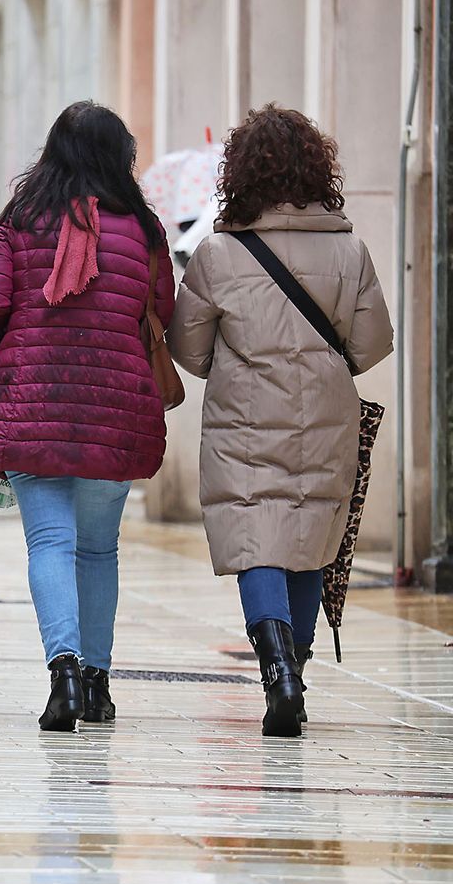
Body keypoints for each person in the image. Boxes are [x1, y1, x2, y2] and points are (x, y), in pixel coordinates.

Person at [168, 105, 392, 737]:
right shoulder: (350, 250)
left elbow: (187, 349)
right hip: (327, 409)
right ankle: (296, 665)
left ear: (240, 173)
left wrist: (238, 363)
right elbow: (373, 345)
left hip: (243, 414)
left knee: (255, 533)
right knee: (310, 535)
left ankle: (277, 672)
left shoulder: (217, 253)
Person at [0, 101, 175, 732]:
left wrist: (11, 338)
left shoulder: (18, 221)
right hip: (115, 405)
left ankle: (64, 674)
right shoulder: (143, 230)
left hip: (33, 400)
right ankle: (98, 682)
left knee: (49, 543)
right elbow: (163, 308)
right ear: (120, 158)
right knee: (98, 549)